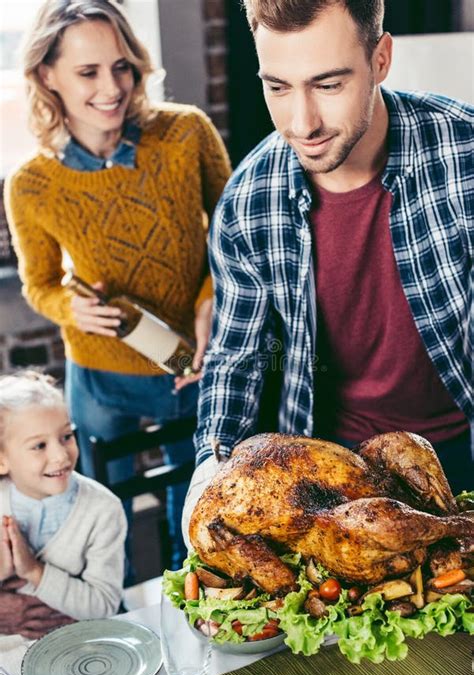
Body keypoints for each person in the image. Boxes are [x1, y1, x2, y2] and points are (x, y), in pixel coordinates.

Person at [182, 0, 472, 539]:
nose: (302, 122)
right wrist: (210, 470)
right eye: (278, 87)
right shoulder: (248, 202)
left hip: (464, 454)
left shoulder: (465, 157)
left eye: (328, 85)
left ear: (380, 59)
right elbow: (237, 356)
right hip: (327, 481)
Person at [4, 0, 231, 575]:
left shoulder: (186, 134)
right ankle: (120, 621)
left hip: (193, 361)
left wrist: (208, 301)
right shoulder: (31, 185)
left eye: (122, 66)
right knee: (102, 515)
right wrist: (71, 308)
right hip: (101, 376)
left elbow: (236, 240)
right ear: (46, 76)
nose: (113, 87)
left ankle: (193, 612)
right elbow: (40, 286)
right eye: (88, 72)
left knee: (204, 509)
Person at [0, 371, 126, 628]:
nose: (61, 456)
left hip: (79, 644)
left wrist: (34, 571)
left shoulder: (103, 509)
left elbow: (103, 606)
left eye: (66, 437)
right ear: (2, 460)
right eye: (39, 446)